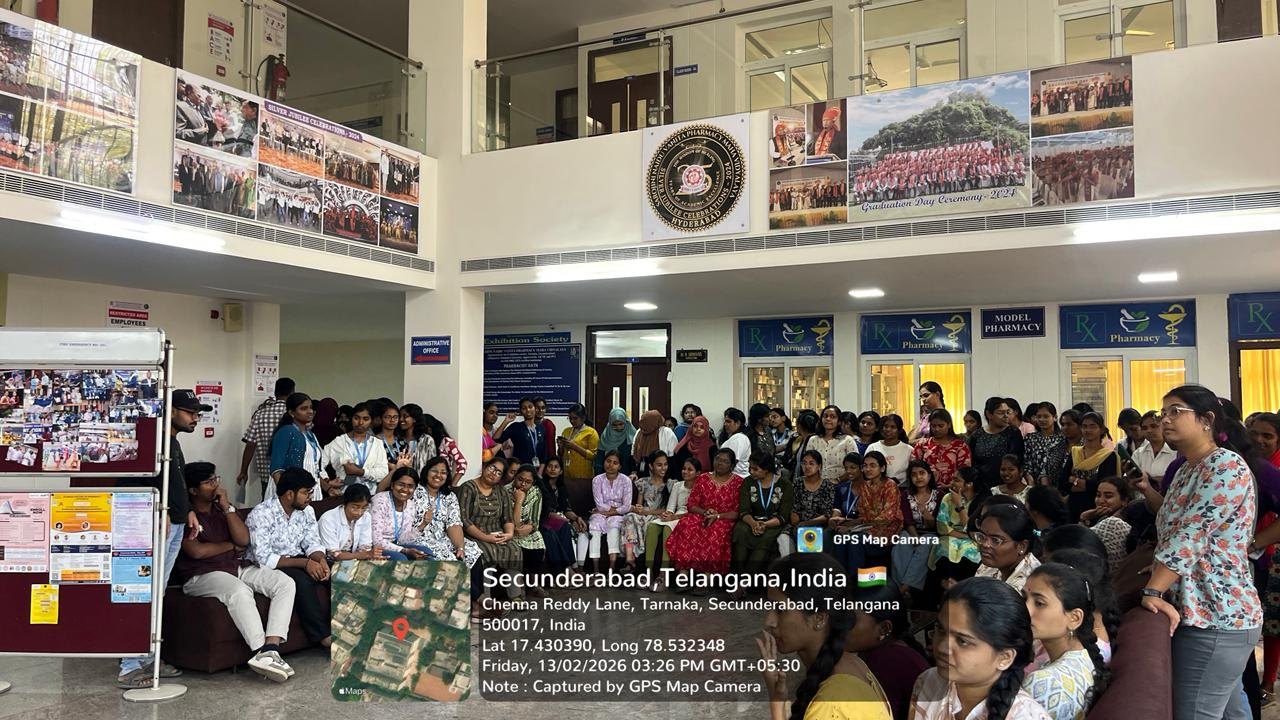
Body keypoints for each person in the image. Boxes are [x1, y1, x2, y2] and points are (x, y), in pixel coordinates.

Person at [1141, 386, 1261, 720]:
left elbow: (1192, 535)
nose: (1165, 420)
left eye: (1175, 411)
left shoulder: (1225, 466)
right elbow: (1173, 532)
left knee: (1194, 713)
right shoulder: (1186, 469)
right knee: (1231, 712)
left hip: (1216, 614)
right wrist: (1157, 568)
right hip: (1203, 611)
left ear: (1206, 420)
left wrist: (1154, 590)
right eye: (1163, 413)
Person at [173, 462, 298, 683]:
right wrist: (230, 546)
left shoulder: (222, 509)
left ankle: (271, 647)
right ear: (193, 490)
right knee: (239, 591)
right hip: (201, 574)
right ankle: (260, 651)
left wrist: (228, 509)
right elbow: (197, 552)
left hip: (235, 566)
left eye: (216, 479)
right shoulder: (186, 514)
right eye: (209, 482)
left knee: (284, 583)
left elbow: (244, 540)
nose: (216, 485)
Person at [116, 389, 205, 689]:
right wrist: (156, 509)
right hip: (153, 525)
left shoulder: (173, 443)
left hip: (176, 524)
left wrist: (188, 510)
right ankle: (129, 665)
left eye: (197, 413)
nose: (195, 417)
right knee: (142, 593)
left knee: (158, 594)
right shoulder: (150, 441)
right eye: (190, 412)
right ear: (171, 410)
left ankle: (148, 658)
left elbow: (176, 484)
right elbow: (132, 482)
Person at [756, 552, 894, 720]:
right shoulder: (852, 663)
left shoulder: (831, 704)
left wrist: (776, 703)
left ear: (819, 618)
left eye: (780, 609)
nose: (769, 621)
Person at [910, 576, 1051, 720]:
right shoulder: (929, 681)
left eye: (963, 641)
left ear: (1005, 658)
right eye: (941, 630)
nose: (942, 647)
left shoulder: (1026, 716)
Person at [243, 468, 332, 650]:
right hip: (273, 564)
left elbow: (312, 542)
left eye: (311, 492)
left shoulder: (307, 511)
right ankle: (323, 636)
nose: (310, 497)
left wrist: (321, 561)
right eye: (306, 493)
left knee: (339, 571)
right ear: (290, 494)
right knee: (301, 581)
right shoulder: (262, 513)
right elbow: (263, 557)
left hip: (299, 558)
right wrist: (305, 563)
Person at [1021, 564, 1108, 720]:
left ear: (1074, 618)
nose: (1024, 610)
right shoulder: (1083, 656)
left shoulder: (1046, 683)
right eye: (1024, 598)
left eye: (1039, 603)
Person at [845, 584, 929, 720]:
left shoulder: (887, 661)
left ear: (884, 628)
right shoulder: (893, 650)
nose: (839, 625)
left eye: (850, 620)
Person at [666, 448, 744, 579]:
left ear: (732, 465)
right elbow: (691, 505)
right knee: (687, 524)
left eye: (725, 461)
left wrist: (718, 516)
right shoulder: (703, 478)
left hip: (724, 519)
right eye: (717, 459)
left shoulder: (738, 483)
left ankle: (707, 577)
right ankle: (684, 572)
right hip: (702, 515)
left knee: (715, 530)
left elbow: (737, 512)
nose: (720, 463)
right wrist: (706, 512)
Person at [458, 456, 523, 597]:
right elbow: (464, 520)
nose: (493, 473)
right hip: (473, 535)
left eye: (499, 473)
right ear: (485, 466)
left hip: (497, 534)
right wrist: (486, 538)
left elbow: (507, 518)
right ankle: (485, 598)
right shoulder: (468, 488)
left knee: (514, 549)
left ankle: (515, 595)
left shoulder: (501, 491)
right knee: (487, 552)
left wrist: (509, 534)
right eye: (492, 468)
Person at [831, 452, 901, 574]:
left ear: (882, 468)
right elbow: (863, 515)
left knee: (855, 540)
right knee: (840, 537)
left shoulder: (890, 485)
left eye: (872, 465)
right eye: (865, 465)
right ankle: (840, 576)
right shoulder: (865, 486)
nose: (868, 469)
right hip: (867, 528)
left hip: (886, 531)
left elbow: (886, 518)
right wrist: (847, 523)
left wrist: (853, 528)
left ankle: (854, 579)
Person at [732, 451, 793, 576]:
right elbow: (744, 510)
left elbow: (783, 516)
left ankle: (747, 579)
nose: (751, 472)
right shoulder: (748, 482)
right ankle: (738, 575)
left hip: (773, 523)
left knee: (766, 537)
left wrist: (765, 525)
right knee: (740, 531)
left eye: (755, 469)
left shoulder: (785, 484)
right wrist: (753, 523)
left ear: (767, 469)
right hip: (751, 521)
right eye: (750, 468)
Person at [237, 377, 294, 505]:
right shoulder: (294, 414)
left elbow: (250, 445)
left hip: (267, 474)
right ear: (292, 393)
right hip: (290, 474)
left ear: (275, 393)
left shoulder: (260, 414)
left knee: (267, 507)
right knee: (289, 507)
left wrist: (243, 471)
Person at [892, 460, 941, 601]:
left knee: (926, 544)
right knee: (902, 544)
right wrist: (914, 537)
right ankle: (902, 591)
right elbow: (907, 520)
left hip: (931, 533)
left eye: (922, 473)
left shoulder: (940, 495)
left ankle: (903, 589)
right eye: (914, 474)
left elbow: (936, 525)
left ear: (929, 476)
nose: (918, 477)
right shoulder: (905, 495)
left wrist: (925, 512)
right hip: (911, 531)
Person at [647, 457, 697, 591]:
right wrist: (667, 515)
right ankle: (648, 572)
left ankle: (663, 575)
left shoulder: (699, 487)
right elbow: (670, 507)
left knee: (667, 528)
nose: (685, 472)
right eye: (684, 469)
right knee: (652, 526)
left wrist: (674, 517)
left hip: (688, 518)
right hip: (674, 516)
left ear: (698, 473)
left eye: (690, 470)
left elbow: (695, 511)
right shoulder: (677, 485)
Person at [1062, 413, 1122, 523]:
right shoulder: (1075, 452)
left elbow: (1103, 486)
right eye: (1084, 426)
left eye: (1092, 426)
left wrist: (1075, 480)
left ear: (1102, 430)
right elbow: (1063, 482)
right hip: (1073, 507)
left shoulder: (1108, 456)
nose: (1088, 430)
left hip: (1098, 508)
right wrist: (1088, 485)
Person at [579, 450, 631, 572]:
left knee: (614, 525)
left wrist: (611, 512)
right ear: (604, 462)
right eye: (608, 461)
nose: (610, 465)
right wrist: (614, 509)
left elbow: (627, 506)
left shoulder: (626, 481)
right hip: (601, 514)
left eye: (615, 463)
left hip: (617, 515)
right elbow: (599, 504)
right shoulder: (597, 480)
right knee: (594, 525)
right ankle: (596, 570)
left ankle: (611, 568)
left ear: (620, 466)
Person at [974, 501, 1042, 592]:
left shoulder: (1029, 587)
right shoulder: (993, 562)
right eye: (981, 536)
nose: (984, 544)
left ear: (1022, 546)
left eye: (995, 540)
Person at [322, 402, 388, 494]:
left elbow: (383, 473)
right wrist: (327, 481)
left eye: (365, 419)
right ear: (351, 418)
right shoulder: (339, 442)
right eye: (356, 418)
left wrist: (360, 472)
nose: (360, 422)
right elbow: (318, 464)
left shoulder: (377, 444)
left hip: (371, 494)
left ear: (371, 421)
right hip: (344, 494)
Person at [369, 468, 435, 560]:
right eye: (401, 485)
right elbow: (377, 541)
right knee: (401, 559)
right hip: (376, 548)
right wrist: (404, 550)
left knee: (426, 553)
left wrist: (423, 524)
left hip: (396, 546)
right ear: (392, 485)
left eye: (410, 486)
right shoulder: (380, 501)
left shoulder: (410, 505)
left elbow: (402, 540)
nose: (405, 489)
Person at [267, 392, 322, 497]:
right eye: (304, 409)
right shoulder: (286, 432)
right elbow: (276, 468)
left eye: (311, 408)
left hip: (310, 487)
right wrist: (288, 495)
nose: (310, 411)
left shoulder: (310, 435)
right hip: (289, 491)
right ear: (292, 412)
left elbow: (314, 467)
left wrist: (328, 487)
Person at [622, 451, 669, 571]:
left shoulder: (670, 484)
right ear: (651, 466)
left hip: (658, 517)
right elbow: (639, 504)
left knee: (647, 524)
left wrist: (647, 512)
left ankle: (637, 559)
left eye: (665, 464)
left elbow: (667, 509)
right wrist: (639, 509)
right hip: (643, 514)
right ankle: (629, 559)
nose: (663, 468)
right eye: (659, 465)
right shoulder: (643, 482)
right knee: (630, 516)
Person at [536, 456, 581, 574]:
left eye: (556, 467)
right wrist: (564, 519)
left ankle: (573, 567)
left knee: (565, 527)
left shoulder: (561, 486)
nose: (552, 469)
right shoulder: (541, 485)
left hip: (557, 520)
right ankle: (567, 570)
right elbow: (545, 511)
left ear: (561, 471)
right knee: (553, 531)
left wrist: (577, 518)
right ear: (545, 469)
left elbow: (566, 509)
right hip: (543, 520)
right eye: (550, 466)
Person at [1077, 477, 1132, 572]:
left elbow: (1081, 546)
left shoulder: (1116, 524)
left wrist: (1083, 518)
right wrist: (1084, 519)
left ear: (1125, 501)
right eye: (1098, 495)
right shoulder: (1102, 519)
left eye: (1108, 496)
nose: (1101, 501)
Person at [970, 397, 1025, 491]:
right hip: (981, 486)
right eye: (1001, 413)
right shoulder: (977, 435)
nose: (1006, 416)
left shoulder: (1013, 433)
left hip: (1006, 485)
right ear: (989, 414)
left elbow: (1017, 460)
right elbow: (972, 462)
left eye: (1007, 412)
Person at [510, 464, 548, 597]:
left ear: (533, 482)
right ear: (515, 477)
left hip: (527, 528)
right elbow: (512, 522)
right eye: (520, 479)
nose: (523, 484)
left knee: (538, 544)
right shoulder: (506, 490)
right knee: (516, 547)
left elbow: (535, 519)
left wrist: (531, 527)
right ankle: (519, 585)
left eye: (528, 482)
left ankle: (534, 583)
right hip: (511, 530)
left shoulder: (535, 492)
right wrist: (519, 501)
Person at [911, 409, 971, 489]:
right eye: (933, 426)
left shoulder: (960, 446)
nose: (937, 429)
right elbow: (914, 467)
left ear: (949, 425)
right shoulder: (922, 444)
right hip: (926, 490)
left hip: (953, 490)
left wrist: (951, 485)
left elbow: (965, 472)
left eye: (941, 426)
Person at [557, 403, 600, 515]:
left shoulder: (591, 432)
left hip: (583, 475)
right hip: (567, 474)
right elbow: (561, 455)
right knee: (568, 503)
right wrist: (561, 447)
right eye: (570, 418)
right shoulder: (566, 431)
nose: (572, 421)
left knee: (582, 505)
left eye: (575, 418)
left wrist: (574, 446)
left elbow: (593, 455)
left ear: (583, 418)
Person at [317, 484, 379, 561]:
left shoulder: (366, 516)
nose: (359, 513)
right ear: (345, 504)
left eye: (364, 508)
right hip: (330, 562)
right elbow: (334, 555)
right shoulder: (328, 519)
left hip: (355, 559)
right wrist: (363, 555)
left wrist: (367, 554)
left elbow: (365, 546)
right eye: (355, 507)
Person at [791, 450, 836, 539]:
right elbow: (793, 508)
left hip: (819, 525)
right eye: (804, 463)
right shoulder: (797, 482)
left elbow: (827, 514)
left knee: (810, 538)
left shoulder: (827, 485)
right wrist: (797, 525)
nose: (807, 466)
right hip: (798, 525)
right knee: (783, 539)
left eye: (811, 464)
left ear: (819, 466)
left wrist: (806, 524)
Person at [1024, 402, 1069, 488]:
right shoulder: (1030, 438)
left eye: (1046, 416)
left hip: (1059, 485)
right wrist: (1032, 485)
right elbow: (1027, 464)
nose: (1042, 419)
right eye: (1039, 416)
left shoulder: (1063, 438)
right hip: (1036, 486)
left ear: (1055, 417)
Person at [497, 396, 548, 468]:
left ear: (535, 409)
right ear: (521, 411)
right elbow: (496, 439)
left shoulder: (541, 428)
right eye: (524, 408)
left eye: (530, 407)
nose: (528, 410)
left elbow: (544, 454)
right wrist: (506, 421)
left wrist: (539, 472)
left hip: (536, 469)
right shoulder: (516, 427)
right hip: (520, 469)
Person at [812, 405, 857, 481]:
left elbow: (855, 465)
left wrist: (838, 480)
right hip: (817, 484)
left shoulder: (847, 440)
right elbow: (808, 463)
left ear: (839, 421)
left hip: (842, 484)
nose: (828, 419)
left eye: (832, 417)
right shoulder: (813, 440)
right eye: (825, 416)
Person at [1131, 410, 1177, 479]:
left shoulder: (1176, 452)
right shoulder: (1138, 454)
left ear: (1164, 426)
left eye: (1154, 426)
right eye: (1144, 428)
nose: (1149, 431)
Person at [632, 410, 677, 479]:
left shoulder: (666, 432)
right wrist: (634, 471)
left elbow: (672, 455)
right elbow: (633, 453)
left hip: (664, 470)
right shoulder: (639, 432)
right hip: (642, 468)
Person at [670, 414, 716, 482]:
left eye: (702, 427)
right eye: (695, 426)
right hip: (684, 482)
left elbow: (714, 469)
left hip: (705, 483)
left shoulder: (712, 448)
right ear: (691, 428)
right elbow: (676, 466)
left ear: (706, 429)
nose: (698, 429)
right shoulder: (683, 445)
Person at [868, 414, 912, 484]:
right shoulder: (873, 447)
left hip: (902, 488)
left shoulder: (909, 450)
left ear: (899, 430)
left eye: (893, 427)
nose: (888, 429)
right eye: (886, 426)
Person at [594, 407, 636, 476]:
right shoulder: (605, 437)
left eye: (621, 424)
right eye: (614, 425)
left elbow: (634, 459)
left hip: (627, 476)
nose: (618, 427)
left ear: (625, 422)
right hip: (607, 476)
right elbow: (599, 460)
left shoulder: (631, 436)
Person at [421, 413, 463, 479]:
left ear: (429, 429)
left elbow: (462, 463)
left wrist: (453, 483)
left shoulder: (445, 442)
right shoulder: (421, 443)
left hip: (442, 481)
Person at [720, 407, 754, 477]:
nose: (725, 424)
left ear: (738, 423)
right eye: (725, 421)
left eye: (728, 421)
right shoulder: (735, 437)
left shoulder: (739, 438)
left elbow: (733, 460)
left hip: (737, 477)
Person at [533, 397, 558, 461]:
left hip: (545, 461)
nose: (540, 410)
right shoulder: (527, 424)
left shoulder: (548, 424)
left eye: (543, 408)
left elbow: (551, 447)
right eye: (537, 408)